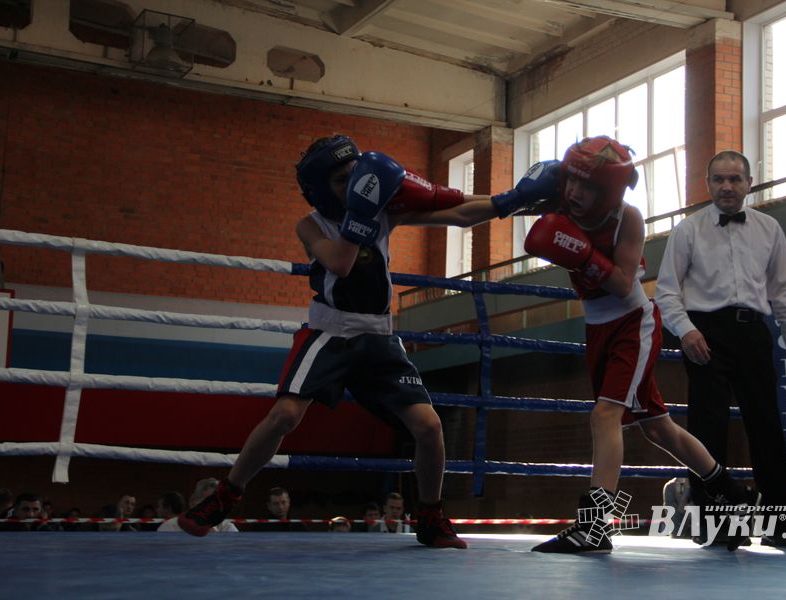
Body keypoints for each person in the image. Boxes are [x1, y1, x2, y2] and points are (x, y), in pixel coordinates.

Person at [177, 134, 556, 548]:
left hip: (378, 336)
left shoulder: (384, 211)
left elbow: (460, 211)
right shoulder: (310, 224)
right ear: (322, 188)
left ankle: (430, 517)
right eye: (343, 179)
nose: (356, 183)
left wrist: (515, 199)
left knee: (429, 427)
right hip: (331, 333)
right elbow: (340, 262)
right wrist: (362, 209)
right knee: (285, 415)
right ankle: (224, 495)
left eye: (357, 174)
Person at [521, 136, 757, 554]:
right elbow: (503, 209)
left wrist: (577, 250)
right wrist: (512, 199)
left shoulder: (627, 218)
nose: (575, 192)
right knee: (658, 429)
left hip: (632, 323)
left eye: (588, 185)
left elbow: (623, 281)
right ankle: (732, 492)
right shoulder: (560, 202)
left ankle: (595, 527)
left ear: (608, 189)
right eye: (572, 181)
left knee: (604, 415)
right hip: (597, 328)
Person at [655, 150, 786, 547]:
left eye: (735, 179)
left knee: (767, 426)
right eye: (719, 179)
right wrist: (685, 331)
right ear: (708, 184)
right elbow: (666, 290)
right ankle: (714, 525)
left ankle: (782, 526)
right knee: (707, 428)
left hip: (754, 332)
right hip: (705, 334)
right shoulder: (687, 230)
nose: (726, 186)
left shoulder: (769, 228)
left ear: (749, 183)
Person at [161, 478, 239, 533]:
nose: (213, 508)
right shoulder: (170, 527)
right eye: (207, 502)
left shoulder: (227, 528)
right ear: (192, 501)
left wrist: (215, 537)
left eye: (218, 504)